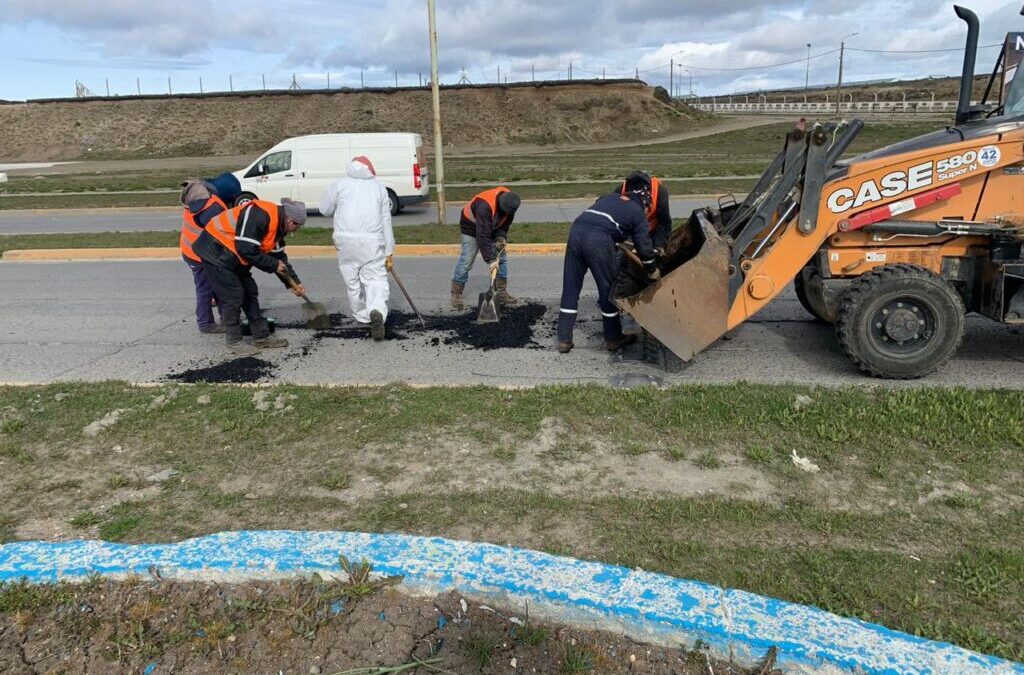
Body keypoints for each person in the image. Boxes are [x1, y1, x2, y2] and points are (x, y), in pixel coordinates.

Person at [192, 198, 307, 355]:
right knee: (233, 295)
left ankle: (261, 337)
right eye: (296, 226)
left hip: (234, 256)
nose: (295, 231)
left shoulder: (278, 228)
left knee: (250, 292)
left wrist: (294, 283)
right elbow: (245, 248)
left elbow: (279, 259)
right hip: (215, 251)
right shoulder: (260, 215)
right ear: (290, 219)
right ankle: (234, 341)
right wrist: (273, 265)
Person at [557, 188, 660, 354]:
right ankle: (613, 338)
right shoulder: (637, 210)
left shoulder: (610, 198)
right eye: (648, 210)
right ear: (645, 204)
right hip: (598, 240)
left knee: (571, 286)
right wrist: (652, 269)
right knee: (607, 289)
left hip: (576, 232)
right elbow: (644, 247)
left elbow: (612, 224)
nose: (648, 213)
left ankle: (564, 340)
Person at [320, 156, 395, 341]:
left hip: (344, 240)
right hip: (372, 241)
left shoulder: (339, 184)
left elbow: (324, 209)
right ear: (370, 169)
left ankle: (362, 315)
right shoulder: (379, 188)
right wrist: (389, 250)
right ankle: (376, 309)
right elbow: (386, 220)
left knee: (352, 279)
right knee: (375, 278)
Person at [179, 173, 241, 334]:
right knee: (205, 289)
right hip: (197, 254)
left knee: (216, 286)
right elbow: (219, 233)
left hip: (193, 249)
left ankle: (227, 319)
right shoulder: (211, 206)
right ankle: (205, 323)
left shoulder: (205, 195)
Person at [451, 187, 521, 309]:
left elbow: (504, 225)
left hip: (491, 226)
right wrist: (491, 260)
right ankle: (456, 293)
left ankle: (501, 291)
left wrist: (501, 237)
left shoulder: (511, 203)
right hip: (471, 227)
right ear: (500, 204)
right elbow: (482, 236)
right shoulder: (485, 206)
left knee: (501, 257)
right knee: (467, 260)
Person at [620, 170, 671, 251]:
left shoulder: (660, 192)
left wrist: (658, 246)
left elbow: (664, 223)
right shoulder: (620, 192)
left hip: (653, 230)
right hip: (630, 229)